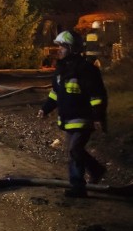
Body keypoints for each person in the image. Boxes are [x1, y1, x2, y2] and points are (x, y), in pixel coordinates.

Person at [37, 30, 108, 198]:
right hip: (68, 118)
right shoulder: (62, 69)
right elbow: (56, 93)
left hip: (83, 117)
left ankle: (78, 187)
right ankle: (96, 170)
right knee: (74, 151)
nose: (59, 50)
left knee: (74, 149)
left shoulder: (86, 69)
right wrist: (45, 108)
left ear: (71, 48)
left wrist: (98, 116)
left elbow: (96, 95)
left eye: (62, 46)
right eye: (58, 46)